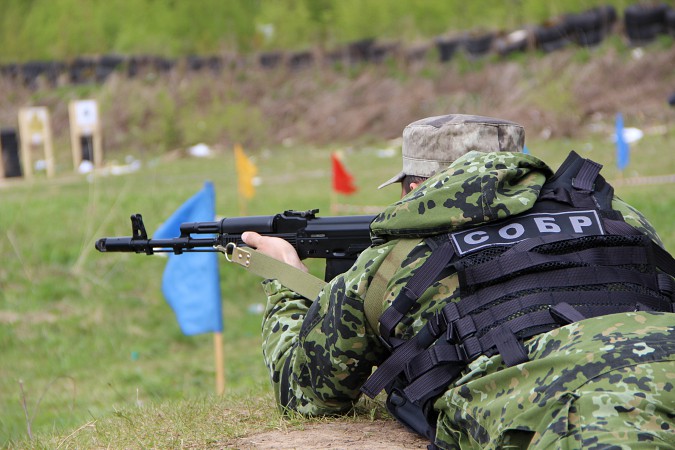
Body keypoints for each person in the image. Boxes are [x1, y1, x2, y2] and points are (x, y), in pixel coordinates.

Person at [242, 114, 675, 449]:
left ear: (414, 187)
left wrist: (284, 278)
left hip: (569, 417)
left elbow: (308, 393)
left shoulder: (393, 260)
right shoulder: (618, 215)